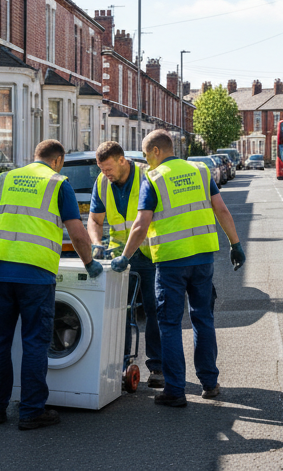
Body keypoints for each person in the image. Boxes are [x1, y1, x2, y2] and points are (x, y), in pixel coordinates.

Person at [0, 139, 101, 430]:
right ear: (58, 160)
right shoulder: (58, 184)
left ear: (35, 157)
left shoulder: (5, 179)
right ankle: (31, 411)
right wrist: (90, 264)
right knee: (34, 342)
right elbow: (78, 233)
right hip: (36, 277)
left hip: (0, 273)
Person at [112, 130, 244, 407]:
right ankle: (209, 383)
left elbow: (141, 224)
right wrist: (235, 244)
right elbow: (221, 209)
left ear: (157, 151)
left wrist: (125, 256)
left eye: (147, 155)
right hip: (202, 258)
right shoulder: (201, 171)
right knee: (203, 319)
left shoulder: (154, 178)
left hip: (171, 261)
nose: (146, 163)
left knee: (170, 324)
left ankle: (175, 389)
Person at [87, 140, 164, 389]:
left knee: (155, 312)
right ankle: (119, 366)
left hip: (149, 255)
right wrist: (97, 243)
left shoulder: (147, 175)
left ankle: (157, 367)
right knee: (119, 312)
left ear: (122, 160)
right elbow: (95, 220)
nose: (105, 174)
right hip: (118, 257)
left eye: (108, 168)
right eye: (101, 169)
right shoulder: (101, 182)